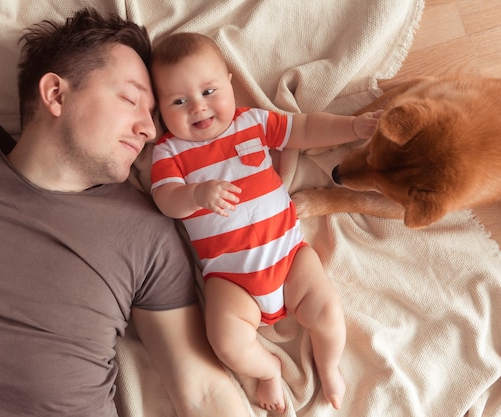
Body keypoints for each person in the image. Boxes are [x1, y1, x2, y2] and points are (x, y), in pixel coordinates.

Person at [0, 10, 250, 417]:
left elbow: (203, 393)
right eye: (130, 100)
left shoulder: (147, 233)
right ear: (55, 94)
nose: (150, 131)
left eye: (154, 114)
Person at [149, 32, 381, 412]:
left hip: (289, 256)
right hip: (229, 277)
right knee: (225, 340)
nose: (198, 108)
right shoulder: (170, 151)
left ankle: (329, 366)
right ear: (160, 110)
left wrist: (351, 128)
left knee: (326, 311)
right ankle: (269, 371)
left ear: (229, 81)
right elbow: (164, 199)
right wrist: (194, 195)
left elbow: (304, 129)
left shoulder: (252, 123)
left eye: (208, 91)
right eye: (179, 101)